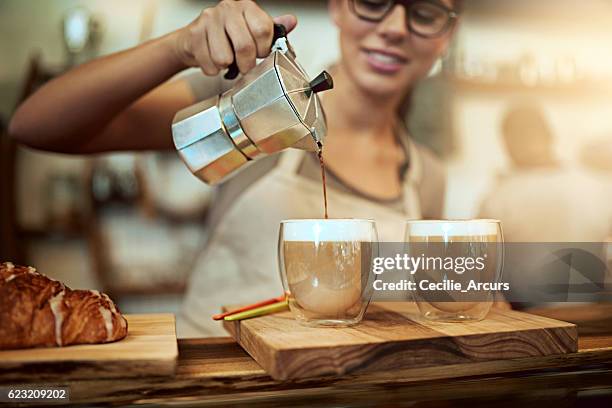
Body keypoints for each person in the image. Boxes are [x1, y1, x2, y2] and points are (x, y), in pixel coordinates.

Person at [10, 0, 461, 336]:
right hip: (207, 385)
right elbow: (36, 124)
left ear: (446, 36)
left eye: (426, 12)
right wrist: (178, 47)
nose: (396, 27)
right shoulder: (257, 102)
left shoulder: (428, 178)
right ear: (338, 8)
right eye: (374, 2)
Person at [479, 104, 611, 243]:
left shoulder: (499, 199)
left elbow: (474, 257)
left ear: (507, 144)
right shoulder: (599, 187)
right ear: (550, 135)